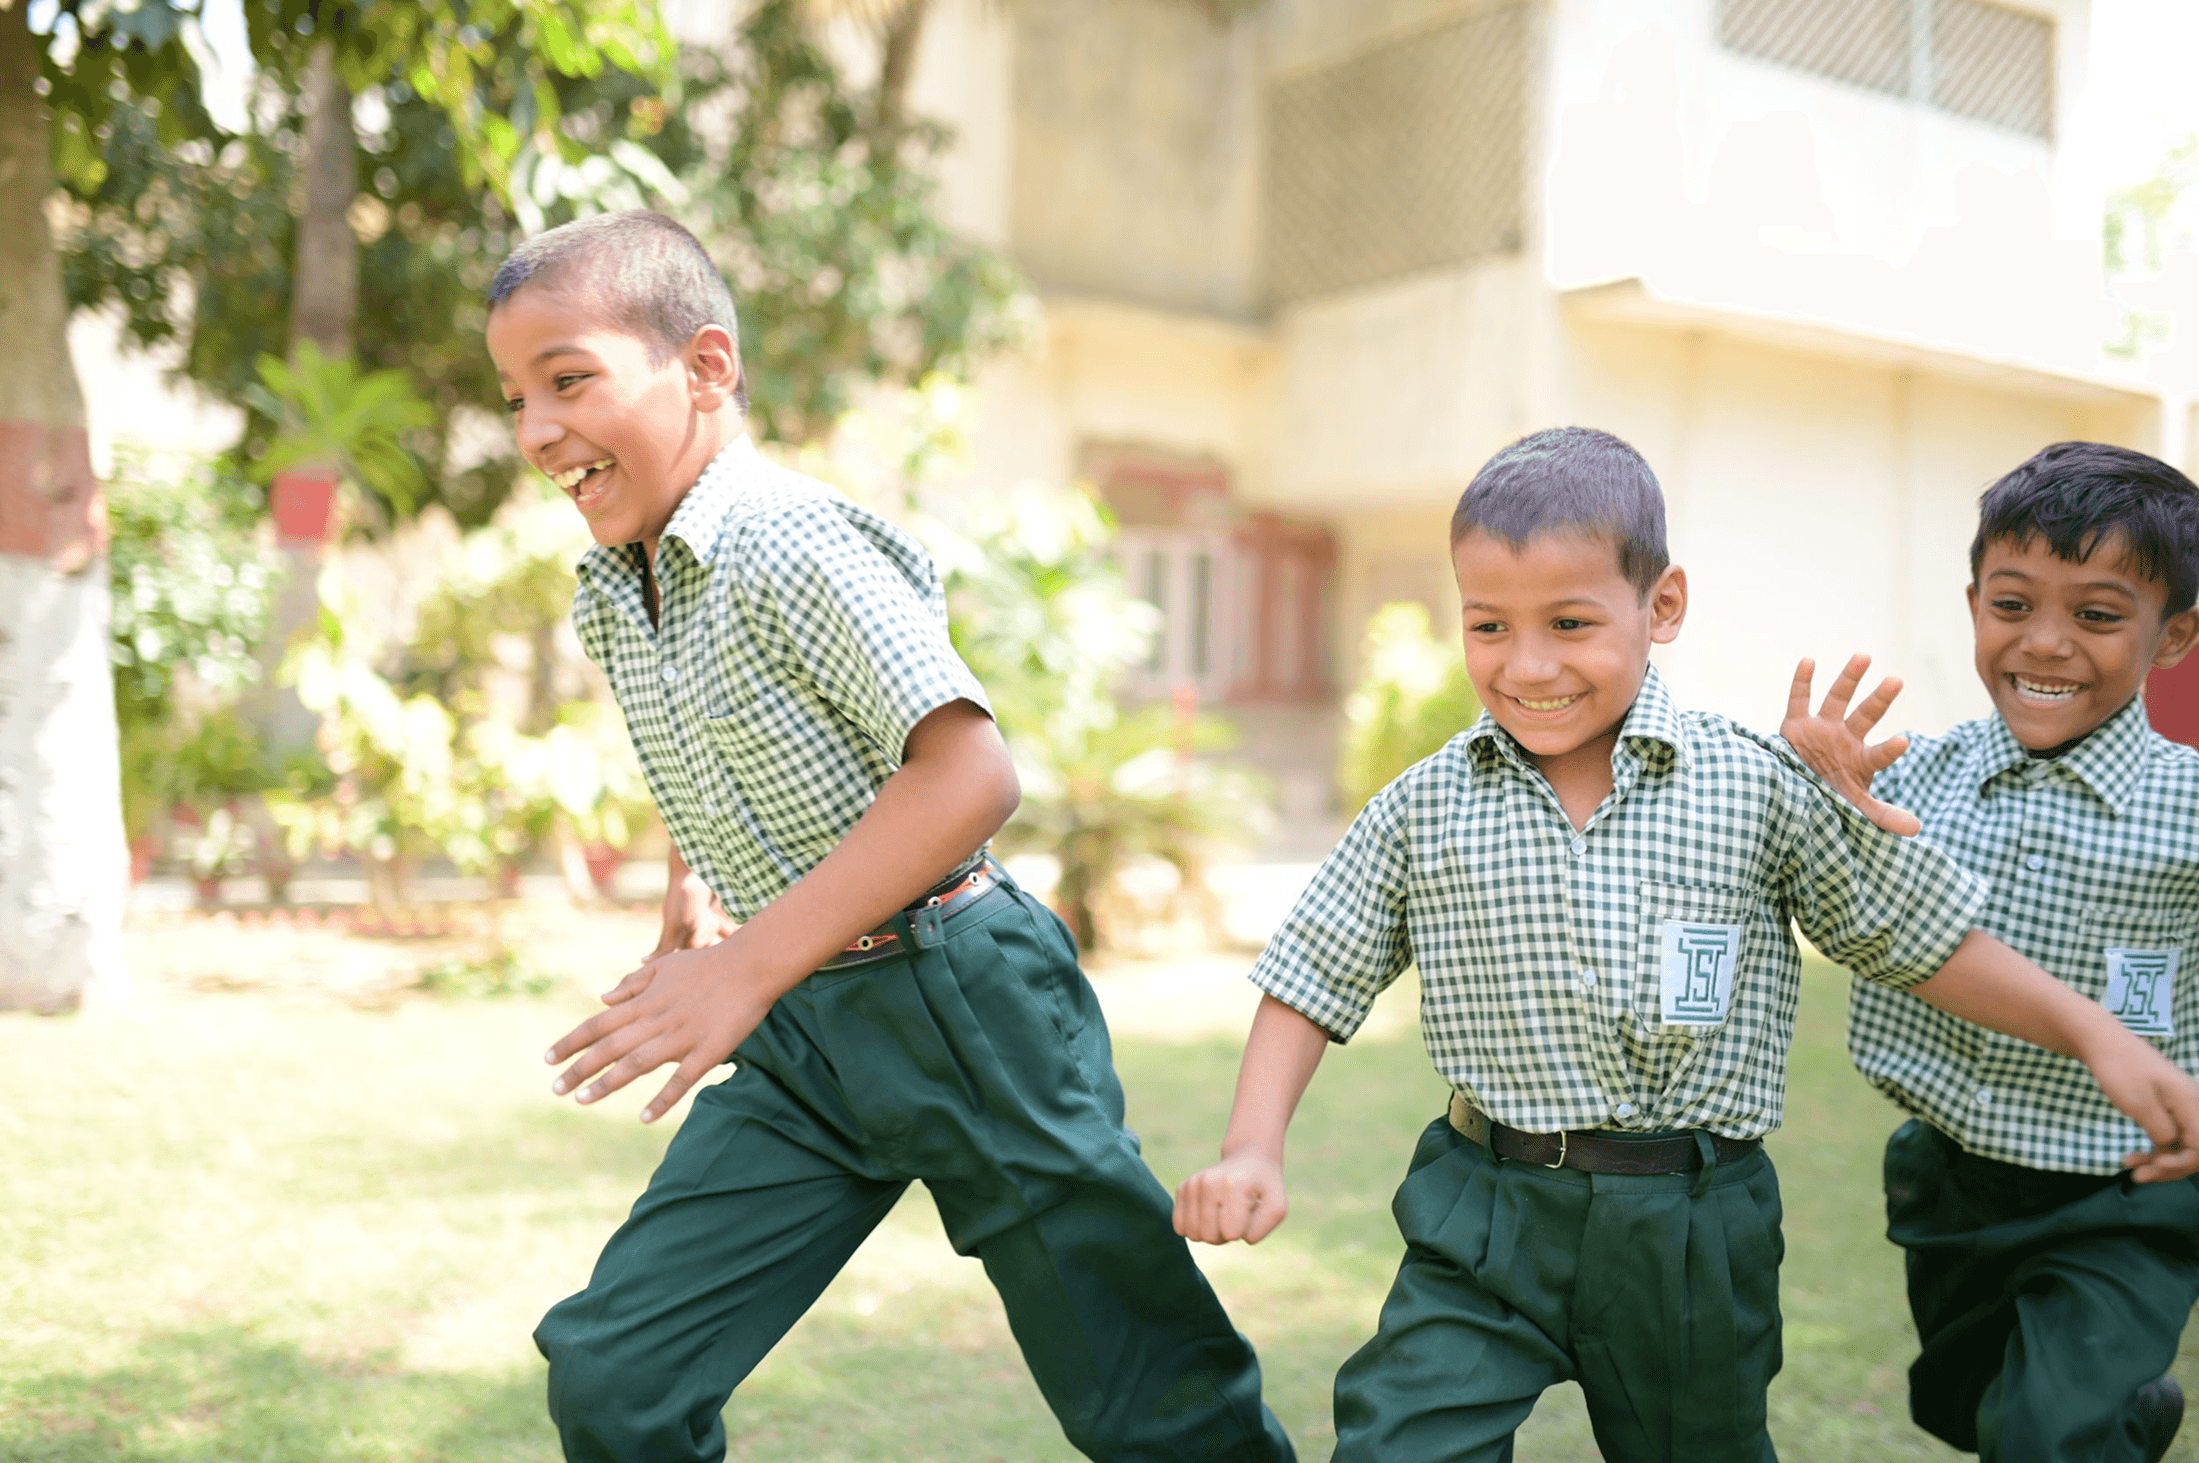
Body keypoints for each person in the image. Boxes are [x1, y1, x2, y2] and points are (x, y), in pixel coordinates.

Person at [1171, 426, 2199, 1463]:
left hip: (1694, 1221)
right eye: (1489, 625)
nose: (1528, 664)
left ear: (1660, 606)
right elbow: (1312, 968)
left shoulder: (1750, 785)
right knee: (1399, 1440)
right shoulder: (1423, 804)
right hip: (1483, 1209)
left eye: (1570, 622)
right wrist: (1254, 1143)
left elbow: (1916, 941)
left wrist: (2096, 1034)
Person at [485, 210, 1295, 1463]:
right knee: (614, 1374)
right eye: (516, 398)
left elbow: (969, 771)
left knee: (1153, 1404)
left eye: (569, 380)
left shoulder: (789, 539)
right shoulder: (615, 583)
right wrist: (695, 897)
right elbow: (711, 735)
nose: (538, 430)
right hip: (810, 1034)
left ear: (706, 368)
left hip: (962, 1002)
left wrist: (746, 966)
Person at [1778, 441, 2199, 1463]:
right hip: (1953, 1174)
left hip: (2121, 1187)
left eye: (2097, 615)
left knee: (2041, 1434)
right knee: (1970, 1406)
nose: (2045, 643)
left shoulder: (2188, 806)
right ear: (1974, 604)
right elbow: (1815, 883)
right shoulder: (1914, 779)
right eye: (2013, 606)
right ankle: (2133, 1416)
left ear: (2174, 634)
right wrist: (1818, 791)